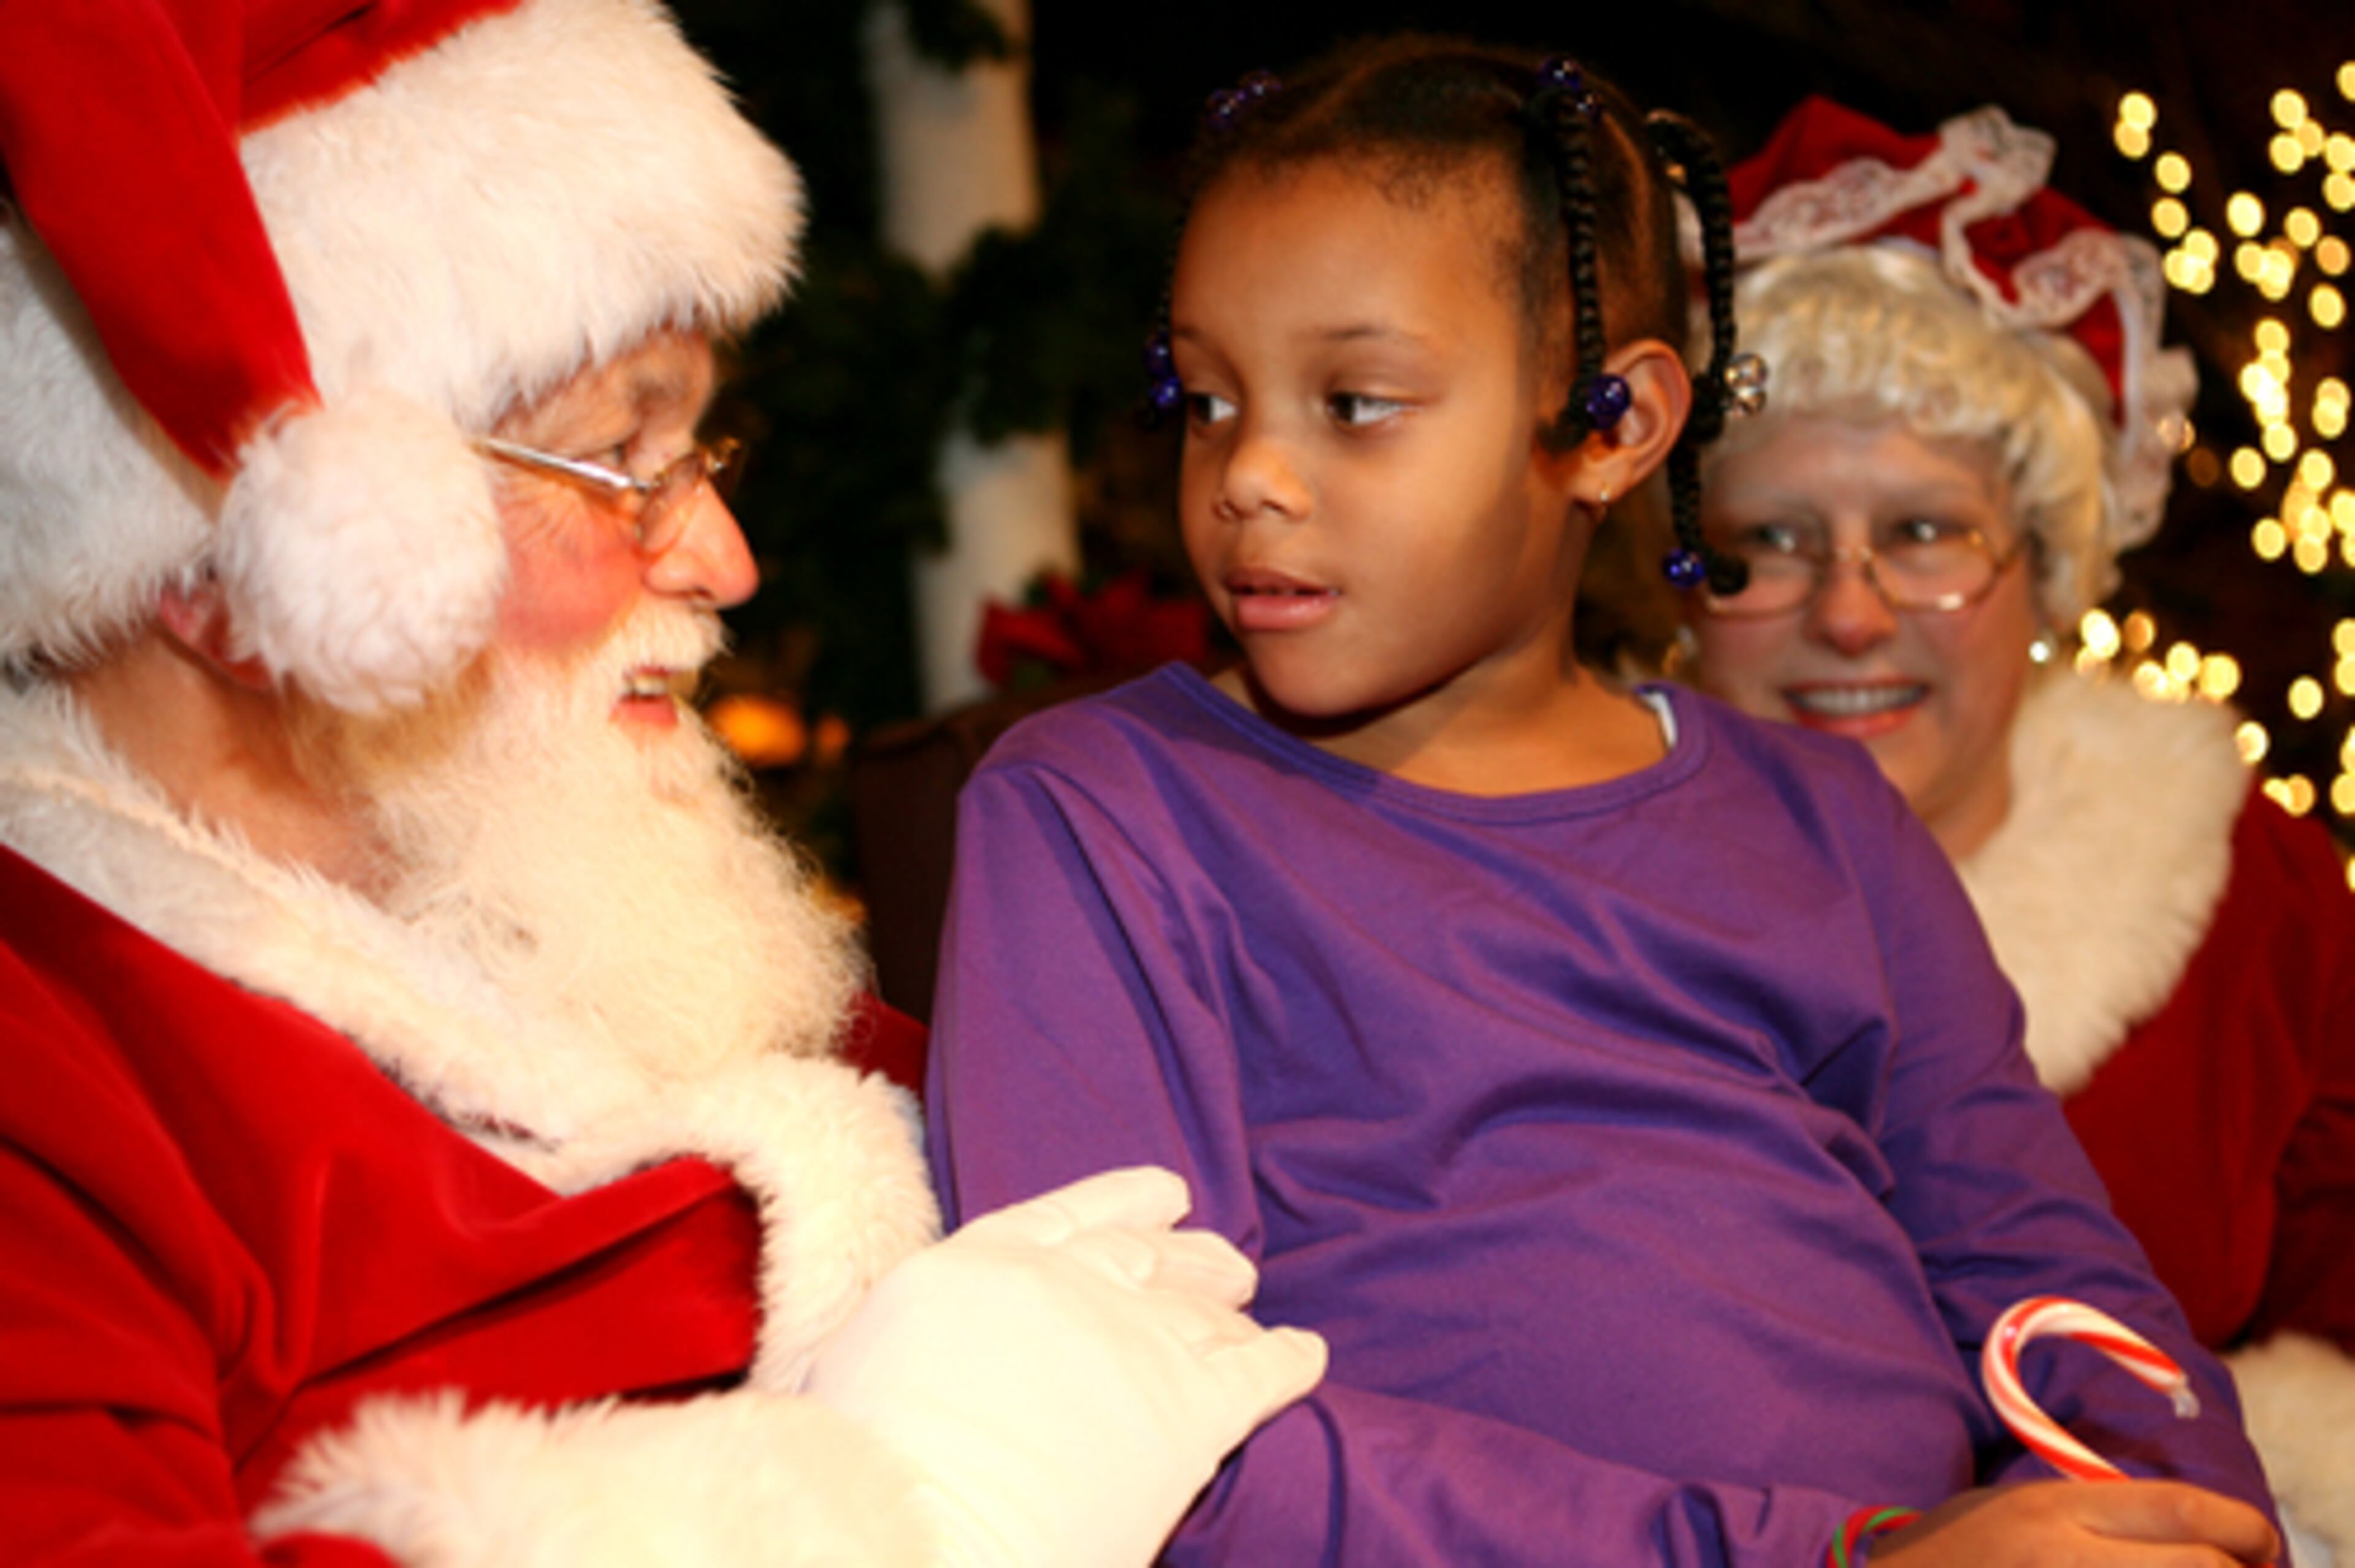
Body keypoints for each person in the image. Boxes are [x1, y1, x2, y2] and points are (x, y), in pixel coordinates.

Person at [924, 35, 2280, 1567]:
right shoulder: (1109, 814)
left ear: (1616, 427)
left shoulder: (1824, 818)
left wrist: (2181, 1513)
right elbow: (1145, 1431)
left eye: (1355, 401)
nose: (1252, 476)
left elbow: (2039, 1261)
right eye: (1211, 398)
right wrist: (1834, 1555)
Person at [0, 2, 1328, 1561]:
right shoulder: (57, 1086)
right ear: (256, 567)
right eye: (627, 466)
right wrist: (897, 1514)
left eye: (704, 461)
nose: (722, 557)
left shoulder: (582, 923)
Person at [1677, 96, 2355, 1564]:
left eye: (1926, 534)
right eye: (1769, 541)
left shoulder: (2256, 892)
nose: (1849, 611)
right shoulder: (1535, 879)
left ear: (2047, 568)